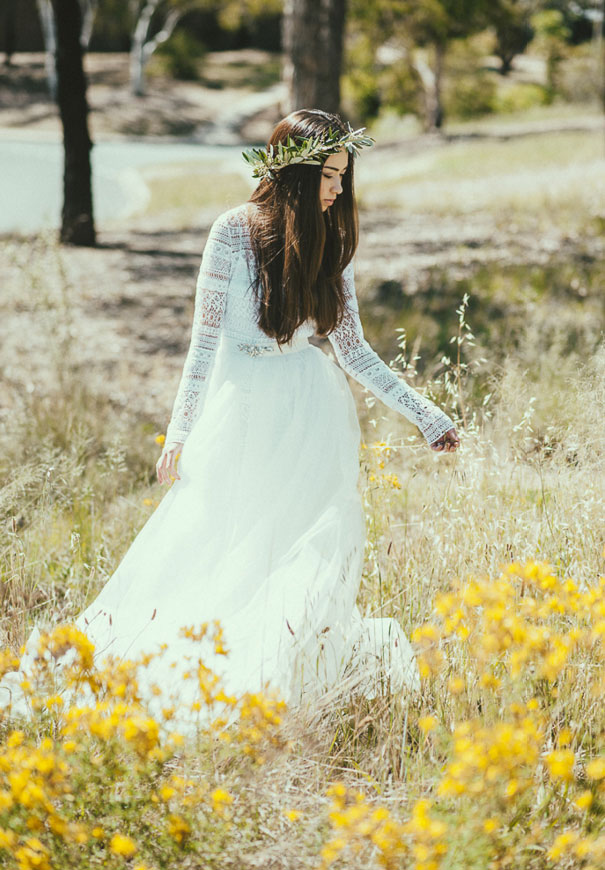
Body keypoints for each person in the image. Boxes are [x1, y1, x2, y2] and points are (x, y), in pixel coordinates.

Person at [3, 109, 459, 729]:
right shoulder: (233, 232)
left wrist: (426, 416)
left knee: (304, 546)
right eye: (328, 175)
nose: (337, 189)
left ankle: (283, 674)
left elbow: (354, 350)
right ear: (294, 173)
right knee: (220, 541)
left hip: (312, 414)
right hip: (241, 408)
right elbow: (202, 344)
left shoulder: (333, 241)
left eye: (343, 177)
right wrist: (180, 433)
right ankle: (209, 667)